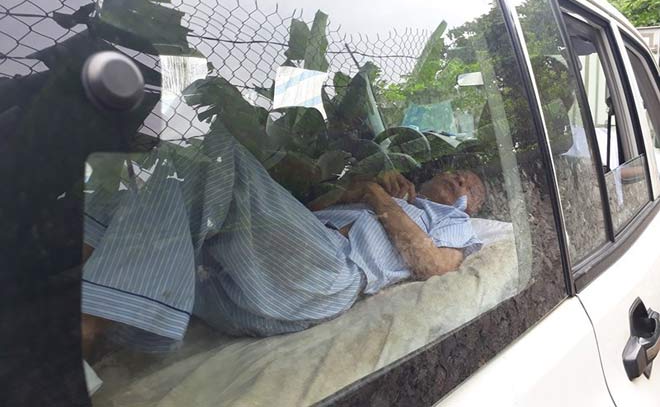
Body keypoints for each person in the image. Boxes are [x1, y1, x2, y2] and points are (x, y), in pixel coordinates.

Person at [81, 121, 486, 355]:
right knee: (156, 181)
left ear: (469, 207)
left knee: (215, 149)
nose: (459, 180)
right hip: (255, 280)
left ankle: (88, 321)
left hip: (325, 275)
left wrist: (376, 196)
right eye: (456, 173)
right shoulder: (400, 198)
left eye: (469, 186)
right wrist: (356, 190)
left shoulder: (453, 222)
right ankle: (87, 299)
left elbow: (432, 264)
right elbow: (303, 216)